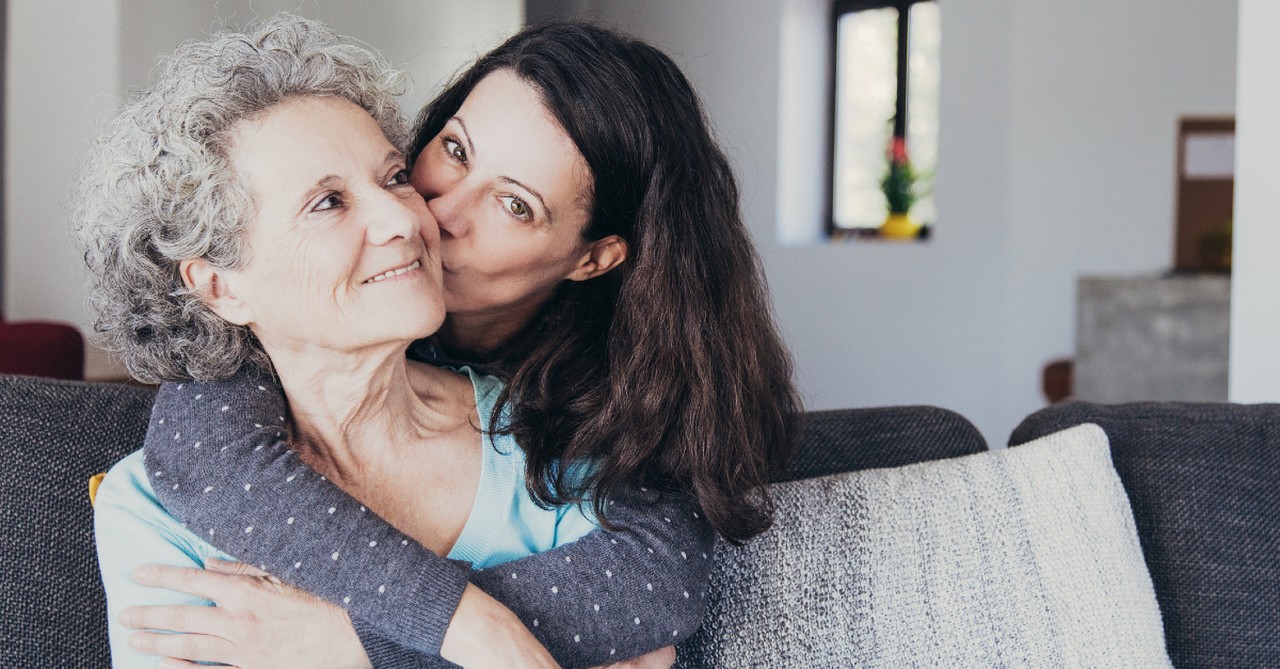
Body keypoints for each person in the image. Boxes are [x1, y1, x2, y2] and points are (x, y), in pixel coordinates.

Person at [116, 14, 803, 668]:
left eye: (515, 204)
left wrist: (362, 648)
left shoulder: (586, 436)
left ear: (592, 258)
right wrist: (475, 634)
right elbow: (202, 452)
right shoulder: (220, 425)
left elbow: (658, 579)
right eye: (454, 150)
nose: (426, 213)